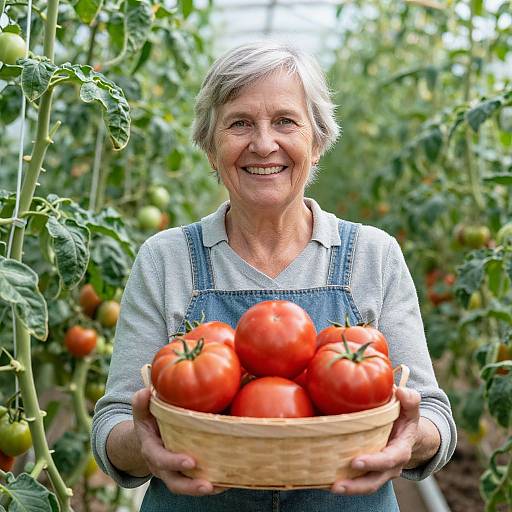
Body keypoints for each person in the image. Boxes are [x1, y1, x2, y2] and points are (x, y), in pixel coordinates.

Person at [91, 41, 457, 511]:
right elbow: (115, 420)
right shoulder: (166, 259)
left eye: (285, 121)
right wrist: (145, 448)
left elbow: (432, 414)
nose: (263, 144)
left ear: (318, 141)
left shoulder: (373, 255)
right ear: (209, 145)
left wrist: (412, 440)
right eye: (239, 123)